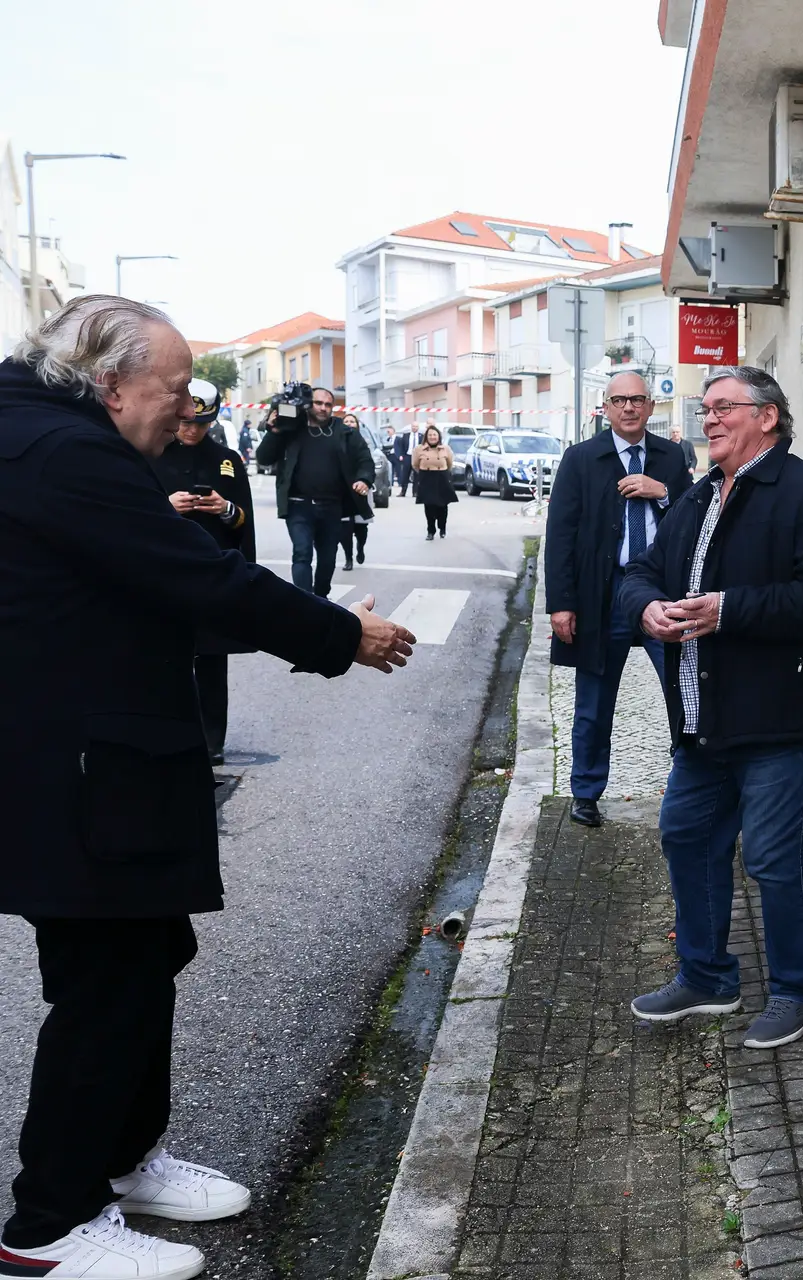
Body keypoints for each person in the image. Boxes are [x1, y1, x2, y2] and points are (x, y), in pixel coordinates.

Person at [0, 296, 415, 1279]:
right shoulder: (63, 450)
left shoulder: (44, 434)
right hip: (86, 768)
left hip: (100, 757)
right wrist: (340, 634)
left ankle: (124, 1159)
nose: (184, 410)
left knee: (146, 953)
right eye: (175, 390)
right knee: (107, 984)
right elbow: (200, 580)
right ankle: (47, 1224)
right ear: (109, 381)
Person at [622, 366, 803, 1051]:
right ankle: (706, 977)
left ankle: (796, 992)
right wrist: (648, 608)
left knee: (778, 860)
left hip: (783, 720)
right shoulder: (697, 500)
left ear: (769, 417)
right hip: (703, 720)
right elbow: (638, 572)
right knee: (688, 838)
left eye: (725, 407)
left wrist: (728, 609)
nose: (710, 419)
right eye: (706, 408)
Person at [547, 373, 693, 827]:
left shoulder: (671, 457)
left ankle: (692, 783)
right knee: (593, 701)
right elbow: (560, 535)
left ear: (651, 407)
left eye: (637, 399)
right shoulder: (582, 458)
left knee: (682, 691)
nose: (628, 408)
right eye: (619, 400)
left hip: (658, 591)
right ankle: (586, 791)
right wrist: (561, 603)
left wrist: (663, 492)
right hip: (601, 593)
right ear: (604, 408)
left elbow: (696, 517)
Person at [151, 378, 256, 764]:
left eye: (201, 423)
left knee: (212, 660)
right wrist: (166, 505)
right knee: (165, 657)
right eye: (187, 422)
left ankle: (212, 741)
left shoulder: (227, 460)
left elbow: (244, 521)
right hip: (164, 571)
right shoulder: (152, 454)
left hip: (213, 569)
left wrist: (225, 509)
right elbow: (128, 513)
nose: (192, 430)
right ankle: (172, 732)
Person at [253, 384, 374, 596]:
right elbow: (264, 458)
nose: (323, 408)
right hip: (298, 505)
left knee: (327, 559)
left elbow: (365, 459)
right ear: (309, 404)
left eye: (328, 404)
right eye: (318, 403)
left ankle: (321, 597)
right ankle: (305, 602)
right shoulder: (291, 428)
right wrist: (273, 431)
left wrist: (363, 479)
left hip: (332, 507)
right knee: (302, 553)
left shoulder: (344, 432)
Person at [338, 412, 374, 566]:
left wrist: (363, 479)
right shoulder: (336, 441)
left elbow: (367, 462)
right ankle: (348, 558)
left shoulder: (363, 442)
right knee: (344, 527)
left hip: (360, 486)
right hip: (342, 489)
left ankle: (360, 547)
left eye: (352, 421)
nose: (349, 423)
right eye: (346, 421)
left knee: (361, 526)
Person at [411, 423, 457, 540]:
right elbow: (415, 465)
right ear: (426, 437)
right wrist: (424, 472)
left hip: (441, 477)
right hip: (427, 478)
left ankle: (442, 528)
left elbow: (450, 464)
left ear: (439, 436)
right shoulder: (419, 449)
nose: (432, 437)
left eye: (434, 435)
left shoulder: (446, 449)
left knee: (442, 506)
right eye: (430, 435)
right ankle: (430, 530)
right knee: (429, 507)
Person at [388, 422, 413, 498]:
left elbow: (401, 447)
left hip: (397, 456)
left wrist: (401, 455)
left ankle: (399, 482)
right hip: (390, 456)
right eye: (387, 432)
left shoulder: (398, 438)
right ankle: (391, 483)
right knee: (391, 470)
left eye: (389, 431)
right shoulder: (388, 439)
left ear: (393, 431)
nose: (388, 433)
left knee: (399, 470)